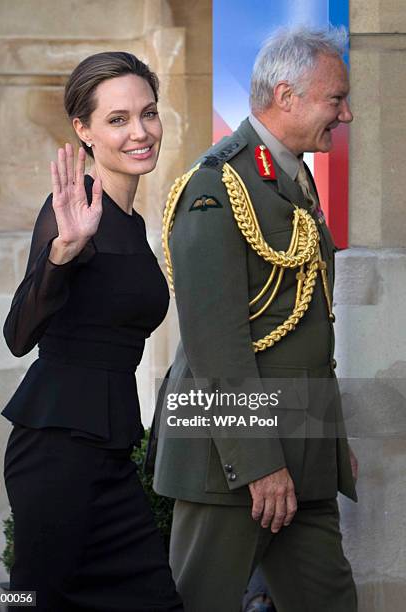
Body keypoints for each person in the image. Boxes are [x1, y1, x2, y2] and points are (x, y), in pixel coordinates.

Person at [152, 27, 358, 612]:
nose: (346, 113)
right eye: (334, 99)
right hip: (235, 461)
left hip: (302, 446)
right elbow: (218, 346)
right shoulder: (215, 187)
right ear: (287, 95)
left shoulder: (287, 175)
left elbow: (308, 335)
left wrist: (328, 442)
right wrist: (261, 463)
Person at [2, 51, 183, 611]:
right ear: (83, 130)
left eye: (147, 113)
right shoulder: (72, 210)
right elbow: (18, 334)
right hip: (57, 450)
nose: (140, 131)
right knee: (33, 601)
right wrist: (61, 254)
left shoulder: (132, 222)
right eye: (117, 119)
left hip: (109, 455)